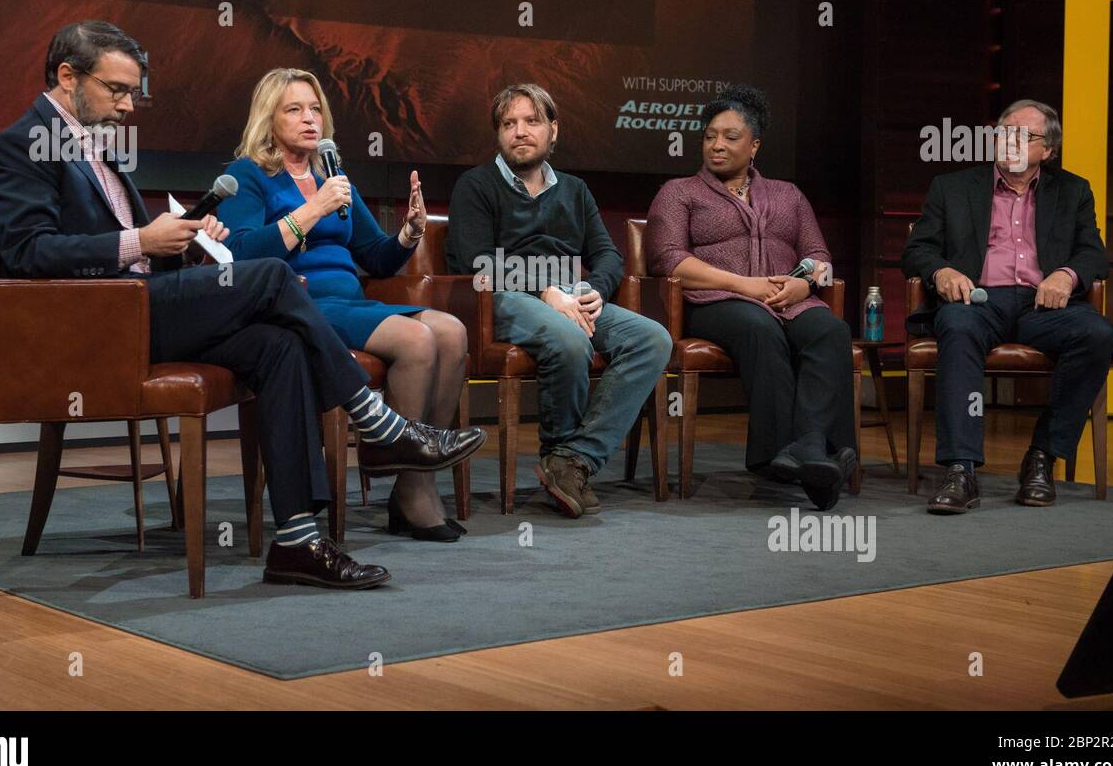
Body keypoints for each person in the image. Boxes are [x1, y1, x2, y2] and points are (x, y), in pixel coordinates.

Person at [0, 20, 484, 589]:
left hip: (141, 305)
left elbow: (138, 255)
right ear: (67, 76)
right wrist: (142, 241)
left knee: (281, 346)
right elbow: (28, 253)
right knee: (268, 273)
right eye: (116, 90)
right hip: (99, 326)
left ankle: (297, 541)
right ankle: (372, 417)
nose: (127, 105)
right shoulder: (19, 146)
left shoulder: (98, 147)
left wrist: (182, 242)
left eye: (132, 92)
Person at [218, 68, 470, 542]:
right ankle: (390, 458)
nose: (309, 119)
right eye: (294, 109)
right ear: (268, 119)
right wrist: (311, 211)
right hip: (297, 301)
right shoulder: (248, 176)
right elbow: (244, 256)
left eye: (315, 109)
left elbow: (375, 256)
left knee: (453, 331)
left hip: (349, 299)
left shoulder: (333, 178)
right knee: (417, 338)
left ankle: (413, 484)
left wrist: (409, 233)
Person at [446, 83, 671, 518]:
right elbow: (474, 262)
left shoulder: (574, 189)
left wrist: (595, 291)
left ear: (553, 130)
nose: (520, 132)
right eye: (508, 124)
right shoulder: (475, 185)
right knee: (568, 338)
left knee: (653, 339)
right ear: (498, 134)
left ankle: (572, 460)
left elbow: (606, 254)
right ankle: (561, 451)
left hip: (571, 296)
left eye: (531, 121)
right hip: (501, 295)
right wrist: (546, 290)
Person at [645, 85, 856, 510]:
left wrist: (807, 282)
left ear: (755, 144)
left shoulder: (787, 195)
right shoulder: (679, 192)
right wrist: (745, 286)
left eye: (730, 136)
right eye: (709, 136)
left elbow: (819, 256)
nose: (717, 145)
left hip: (788, 300)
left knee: (831, 331)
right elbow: (667, 261)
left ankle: (810, 448)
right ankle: (780, 453)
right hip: (715, 303)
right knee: (759, 328)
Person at [901, 99, 1113, 514]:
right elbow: (918, 249)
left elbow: (1093, 253)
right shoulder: (952, 186)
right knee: (957, 327)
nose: (1011, 142)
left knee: (1098, 334)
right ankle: (961, 469)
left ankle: (1042, 457)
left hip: (1044, 306)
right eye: (1004, 132)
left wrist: (1066, 275)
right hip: (977, 300)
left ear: (1047, 151)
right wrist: (941, 271)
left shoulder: (1073, 190)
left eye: (1025, 136)